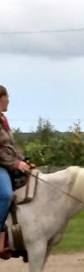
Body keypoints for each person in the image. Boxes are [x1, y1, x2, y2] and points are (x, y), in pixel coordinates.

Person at [0, 86, 31, 249]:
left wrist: (23, 160)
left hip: (6, 163)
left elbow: (10, 145)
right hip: (1, 165)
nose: (9, 101)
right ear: (1, 98)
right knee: (5, 194)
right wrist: (16, 164)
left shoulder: (3, 119)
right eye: (7, 97)